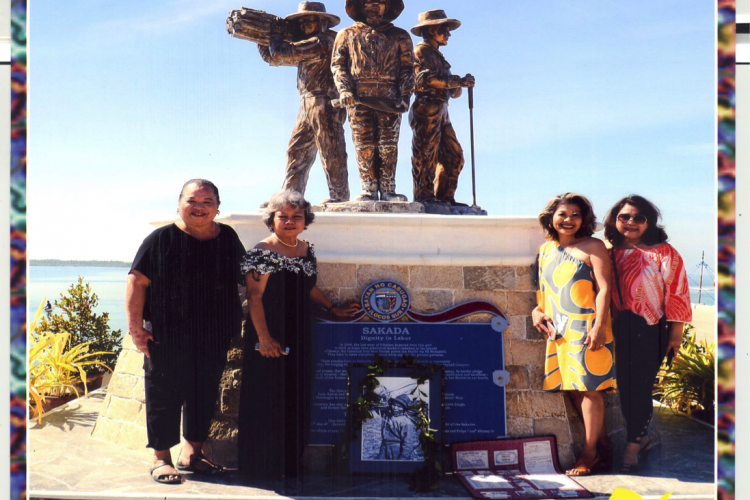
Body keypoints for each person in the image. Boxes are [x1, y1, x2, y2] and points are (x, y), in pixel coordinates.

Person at [126, 179, 245, 484]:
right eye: (193, 200)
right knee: (163, 394)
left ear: (217, 208)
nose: (200, 208)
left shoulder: (228, 237)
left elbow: (248, 276)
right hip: (166, 333)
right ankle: (161, 458)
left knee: (203, 393)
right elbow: (137, 282)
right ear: (179, 204)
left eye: (207, 202)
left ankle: (192, 454)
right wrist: (136, 328)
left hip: (214, 332)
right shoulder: (160, 239)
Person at [238, 190, 359, 479]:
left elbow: (307, 287)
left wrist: (333, 307)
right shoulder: (262, 251)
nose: (290, 221)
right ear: (272, 220)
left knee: (295, 395)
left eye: (296, 216)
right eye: (283, 217)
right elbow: (254, 298)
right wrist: (264, 339)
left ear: (305, 220)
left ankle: (290, 463)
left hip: (299, 332)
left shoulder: (306, 249)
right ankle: (261, 466)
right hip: (268, 332)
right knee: (267, 396)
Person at [603, 195, 692, 474]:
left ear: (649, 222)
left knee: (639, 388)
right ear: (614, 220)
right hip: (615, 328)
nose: (630, 222)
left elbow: (677, 291)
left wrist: (675, 334)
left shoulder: (664, 252)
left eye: (638, 218)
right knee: (625, 387)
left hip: (650, 328)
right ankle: (640, 439)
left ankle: (632, 444)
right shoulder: (606, 251)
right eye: (624, 217)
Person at [531, 193, 616, 476]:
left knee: (590, 390)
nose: (568, 220)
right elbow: (542, 292)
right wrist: (536, 312)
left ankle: (588, 455)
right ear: (551, 217)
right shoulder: (545, 250)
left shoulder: (593, 246)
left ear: (584, 219)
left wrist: (598, 327)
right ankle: (604, 448)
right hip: (560, 331)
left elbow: (605, 289)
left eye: (575, 215)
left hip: (588, 327)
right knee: (575, 390)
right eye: (563, 214)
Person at [256, 2, 350, 204]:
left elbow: (281, 53)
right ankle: (290, 197)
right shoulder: (311, 42)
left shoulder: (321, 42)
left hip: (324, 100)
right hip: (308, 101)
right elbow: (275, 58)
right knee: (297, 151)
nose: (305, 24)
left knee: (330, 149)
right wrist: (261, 38)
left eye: (310, 20)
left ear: (323, 23)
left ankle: (340, 196)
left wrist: (274, 37)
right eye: (303, 21)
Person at [331, 0, 414, 202]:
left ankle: (388, 189)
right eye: (369, 2)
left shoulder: (400, 35)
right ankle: (368, 189)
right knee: (363, 143)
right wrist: (344, 90)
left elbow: (407, 68)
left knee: (388, 145)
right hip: (358, 99)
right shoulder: (347, 34)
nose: (375, 6)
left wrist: (405, 95)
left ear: (388, 6)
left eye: (380, 2)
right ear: (361, 6)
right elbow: (338, 65)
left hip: (389, 99)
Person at [409, 10, 474, 205]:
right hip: (427, 107)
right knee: (426, 153)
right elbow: (423, 80)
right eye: (444, 30)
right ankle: (425, 197)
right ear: (431, 30)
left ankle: (444, 197)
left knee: (454, 155)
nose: (448, 34)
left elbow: (453, 91)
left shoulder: (438, 56)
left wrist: (461, 84)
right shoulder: (421, 52)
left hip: (441, 109)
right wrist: (456, 81)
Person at [377, 394, 418, 460]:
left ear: (404, 409)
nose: (395, 408)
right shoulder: (387, 416)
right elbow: (377, 407)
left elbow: (408, 445)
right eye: (394, 405)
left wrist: (402, 459)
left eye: (399, 406)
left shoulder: (406, 423)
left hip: (397, 450)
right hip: (384, 448)